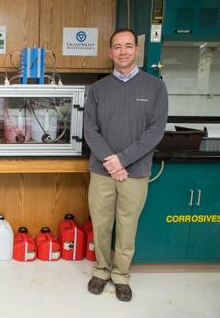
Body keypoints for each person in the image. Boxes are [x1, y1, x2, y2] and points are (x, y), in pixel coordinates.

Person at [83, 28, 168, 302]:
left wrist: (122, 160)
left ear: (136, 50)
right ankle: (101, 270)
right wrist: (112, 161)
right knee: (102, 224)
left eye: (128, 46)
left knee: (127, 225)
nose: (123, 51)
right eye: (117, 47)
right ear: (110, 52)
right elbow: (90, 130)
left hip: (136, 172)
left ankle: (121, 275)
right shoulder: (97, 89)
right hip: (102, 172)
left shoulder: (155, 87)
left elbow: (155, 131)